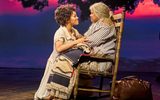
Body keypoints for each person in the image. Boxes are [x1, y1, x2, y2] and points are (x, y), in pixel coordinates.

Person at [34, 4, 87, 100]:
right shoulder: (61, 32)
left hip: (65, 61)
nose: (77, 17)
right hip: (56, 62)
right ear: (67, 19)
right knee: (46, 91)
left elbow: (82, 38)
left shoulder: (73, 31)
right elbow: (59, 48)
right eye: (74, 16)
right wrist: (77, 42)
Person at [81, 2, 116, 72]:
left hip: (102, 61)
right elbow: (85, 36)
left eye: (92, 13)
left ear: (99, 13)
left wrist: (75, 42)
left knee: (68, 62)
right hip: (95, 58)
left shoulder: (106, 25)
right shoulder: (96, 24)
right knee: (66, 58)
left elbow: (90, 42)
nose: (90, 15)